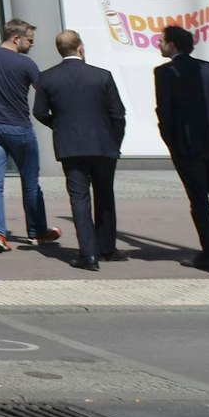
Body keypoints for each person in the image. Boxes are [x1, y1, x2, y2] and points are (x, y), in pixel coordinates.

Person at [34, 29, 126, 270]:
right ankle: (107, 248)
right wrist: (115, 140)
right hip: (103, 144)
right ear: (81, 48)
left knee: (79, 198)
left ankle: (88, 254)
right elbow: (118, 113)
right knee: (105, 195)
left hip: (71, 146)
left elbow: (39, 112)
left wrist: (59, 125)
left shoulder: (47, 78)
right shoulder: (101, 76)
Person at [153, 24, 209, 269]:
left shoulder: (165, 73)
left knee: (199, 199)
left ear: (172, 45)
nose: (158, 44)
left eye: (161, 41)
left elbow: (165, 113)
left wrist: (171, 143)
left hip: (187, 146)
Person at [0, 17, 58, 253]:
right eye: (30, 41)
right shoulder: (26, 64)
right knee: (30, 182)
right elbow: (44, 92)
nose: (31, 45)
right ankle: (37, 231)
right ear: (16, 38)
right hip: (18, 126)